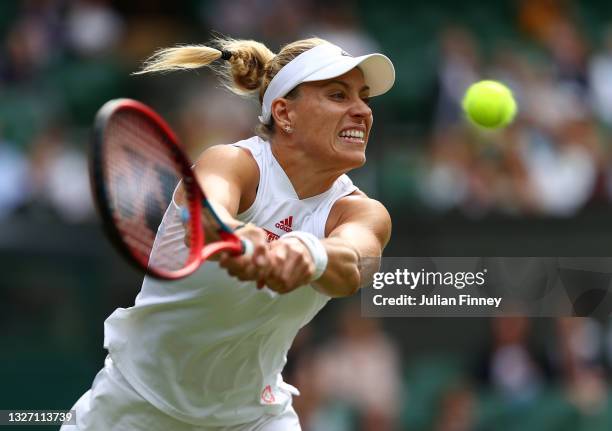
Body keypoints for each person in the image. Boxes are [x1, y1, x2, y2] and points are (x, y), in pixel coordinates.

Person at [62, 36, 395, 430]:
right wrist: (237, 235)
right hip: (134, 407)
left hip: (254, 418)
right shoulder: (231, 162)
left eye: (364, 98)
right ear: (284, 113)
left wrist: (308, 256)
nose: (362, 111)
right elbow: (208, 214)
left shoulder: (362, 211)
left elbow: (355, 263)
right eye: (338, 95)